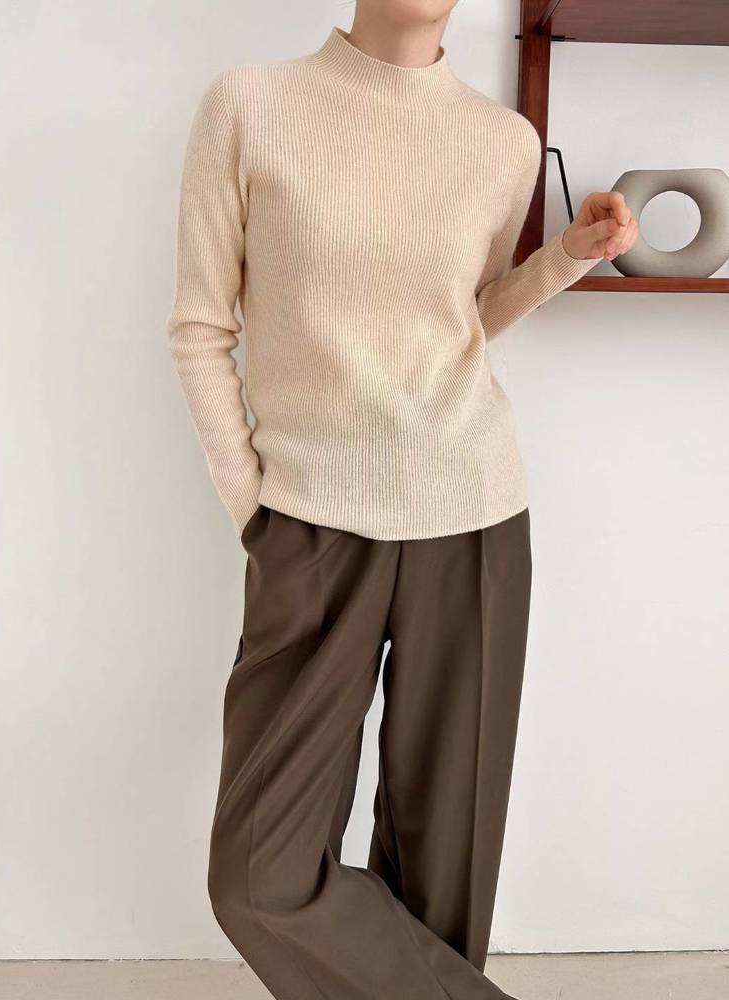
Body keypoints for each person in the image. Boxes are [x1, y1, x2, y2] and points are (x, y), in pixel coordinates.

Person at [166, 3, 637, 998]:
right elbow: (202, 327)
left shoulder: (504, 141)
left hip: (475, 516)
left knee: (442, 872)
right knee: (259, 876)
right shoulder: (250, 105)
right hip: (308, 524)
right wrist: (254, 507)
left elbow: (460, 319)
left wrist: (561, 260)